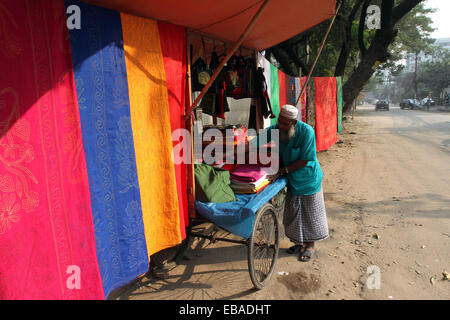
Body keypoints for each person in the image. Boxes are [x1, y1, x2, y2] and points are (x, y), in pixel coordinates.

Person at [248, 104, 329, 262]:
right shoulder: (275, 130)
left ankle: (310, 245)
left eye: (285, 124)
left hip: (308, 178)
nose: (281, 126)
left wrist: (281, 171)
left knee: (309, 214)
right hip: (291, 178)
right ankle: (299, 243)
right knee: (294, 213)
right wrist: (233, 151)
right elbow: (254, 144)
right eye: (280, 121)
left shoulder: (307, 132)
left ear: (294, 123)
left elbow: (305, 159)